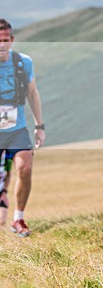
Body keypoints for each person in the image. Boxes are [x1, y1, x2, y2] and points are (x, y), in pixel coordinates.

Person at [0, 18, 45, 237]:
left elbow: (32, 93)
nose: (2, 45)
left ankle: (18, 218)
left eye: (5, 40)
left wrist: (39, 125)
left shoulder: (23, 62)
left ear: (12, 40)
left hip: (16, 129)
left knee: (25, 168)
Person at [0, 150, 11, 226]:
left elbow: (8, 175)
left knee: (2, 220)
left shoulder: (7, 160)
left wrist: (4, 191)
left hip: (1, 191)